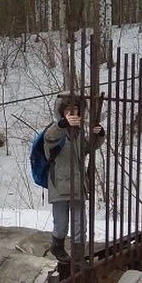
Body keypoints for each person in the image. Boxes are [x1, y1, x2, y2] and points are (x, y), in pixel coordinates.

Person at [44, 95, 105, 261]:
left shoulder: (78, 133)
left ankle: (78, 256)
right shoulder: (54, 130)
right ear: (62, 113)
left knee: (80, 223)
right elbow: (50, 138)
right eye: (68, 111)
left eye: (76, 111)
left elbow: (88, 148)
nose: (73, 114)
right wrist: (62, 124)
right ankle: (57, 246)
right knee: (61, 223)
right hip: (60, 184)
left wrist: (99, 135)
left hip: (78, 184)